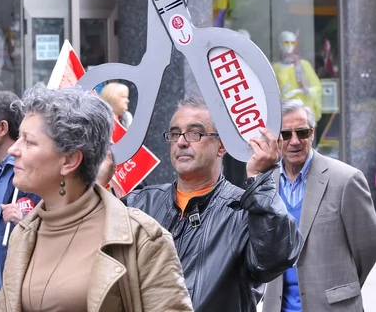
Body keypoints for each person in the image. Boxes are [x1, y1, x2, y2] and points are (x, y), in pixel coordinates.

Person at [0, 84, 193, 312]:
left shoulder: (143, 238)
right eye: (18, 138)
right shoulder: (23, 234)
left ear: (69, 161)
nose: (13, 150)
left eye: (28, 141)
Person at [123, 96, 303, 312]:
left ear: (222, 146)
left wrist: (260, 178)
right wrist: (98, 181)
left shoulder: (244, 210)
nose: (181, 142)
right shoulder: (141, 203)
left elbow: (274, 260)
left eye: (194, 133)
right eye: (175, 133)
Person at [262, 98, 376, 312]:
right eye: (286, 134)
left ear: (312, 133)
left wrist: (341, 289)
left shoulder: (346, 180)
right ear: (277, 139)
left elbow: (367, 247)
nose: (294, 141)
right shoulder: (266, 183)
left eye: (302, 132)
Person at [0, 91, 40, 312]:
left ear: (3, 128)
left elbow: (53, 227)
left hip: (21, 296)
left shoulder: (34, 173)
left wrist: (22, 219)